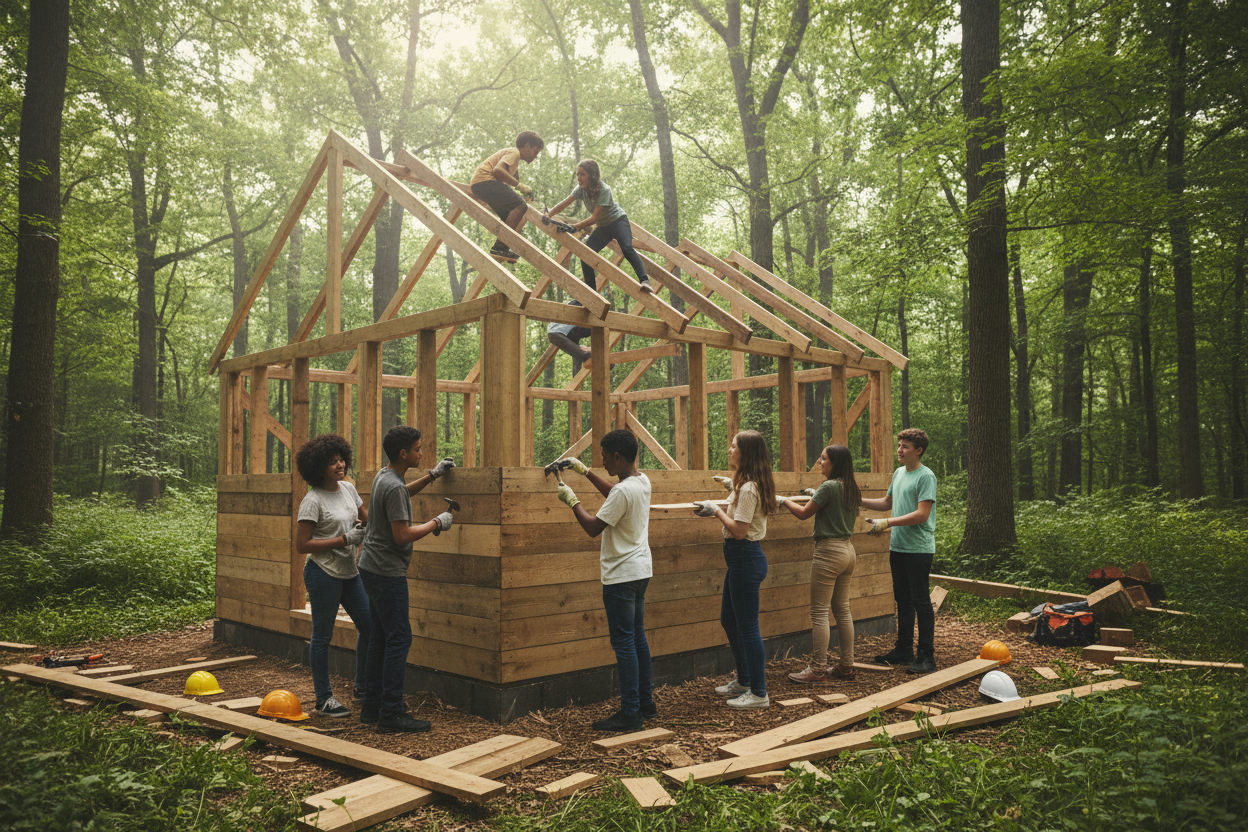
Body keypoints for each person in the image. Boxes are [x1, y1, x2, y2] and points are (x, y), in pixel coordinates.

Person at [554, 430, 657, 731]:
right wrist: (584, 472)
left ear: (617, 457)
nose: (600, 461)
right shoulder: (642, 481)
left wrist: (571, 500)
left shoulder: (623, 492)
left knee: (624, 643)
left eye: (603, 456)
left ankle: (630, 714)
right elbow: (614, 495)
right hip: (640, 571)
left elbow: (592, 527)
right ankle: (645, 704)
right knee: (637, 637)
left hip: (621, 576)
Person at [357, 425, 456, 733]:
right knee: (400, 638)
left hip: (370, 566)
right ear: (404, 453)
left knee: (380, 637)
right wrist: (437, 522)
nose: (421, 453)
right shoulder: (394, 486)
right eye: (417, 449)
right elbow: (401, 535)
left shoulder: (384, 477)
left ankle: (372, 708)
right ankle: (391, 714)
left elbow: (401, 495)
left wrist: (433, 475)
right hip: (387, 572)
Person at [695, 430, 777, 709]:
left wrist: (714, 510)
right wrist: (731, 488)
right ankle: (744, 680)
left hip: (745, 558)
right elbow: (745, 507)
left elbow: (740, 530)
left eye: (734, 447)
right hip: (740, 560)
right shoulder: (747, 485)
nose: (729, 450)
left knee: (748, 628)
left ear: (747, 453)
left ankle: (759, 693)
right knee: (729, 621)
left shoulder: (750, 487)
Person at [294, 434, 371, 718]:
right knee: (323, 636)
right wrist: (344, 540)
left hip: (350, 572)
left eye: (340, 459)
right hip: (323, 573)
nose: (339, 465)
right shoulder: (312, 501)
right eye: (331, 462)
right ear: (318, 468)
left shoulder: (348, 489)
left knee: (370, 626)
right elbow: (302, 545)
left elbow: (366, 518)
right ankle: (324, 698)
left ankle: (362, 688)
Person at [779, 444, 862, 684]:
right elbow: (834, 506)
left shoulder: (829, 487)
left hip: (828, 552)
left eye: (823, 458)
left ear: (835, 463)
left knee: (819, 612)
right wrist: (815, 493)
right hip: (848, 551)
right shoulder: (850, 487)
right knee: (843, 610)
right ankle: (846, 666)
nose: (819, 461)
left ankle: (817, 670)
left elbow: (804, 513)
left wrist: (784, 501)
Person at [860, 428, 938, 674]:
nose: (900, 450)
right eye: (899, 445)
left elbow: (921, 514)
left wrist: (888, 522)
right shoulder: (898, 473)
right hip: (899, 547)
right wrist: (857, 499)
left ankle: (927, 656)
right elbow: (887, 503)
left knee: (921, 601)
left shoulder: (926, 476)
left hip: (918, 549)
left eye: (905, 447)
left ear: (919, 450)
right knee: (902, 600)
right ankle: (904, 649)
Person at [543, 159, 653, 295]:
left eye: (582, 174)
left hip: (618, 222)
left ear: (592, 175)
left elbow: (594, 217)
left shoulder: (604, 190)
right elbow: (565, 203)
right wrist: (550, 214)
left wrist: (575, 227)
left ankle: (644, 281)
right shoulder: (580, 190)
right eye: (577, 174)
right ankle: (591, 293)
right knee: (586, 254)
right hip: (604, 227)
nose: (578, 178)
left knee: (626, 247)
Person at [469, 131, 544, 263]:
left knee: (511, 215)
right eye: (535, 151)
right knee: (520, 206)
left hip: (480, 186)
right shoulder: (514, 152)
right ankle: (500, 247)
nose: (536, 156)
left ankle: (503, 249)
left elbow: (513, 179)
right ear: (527, 146)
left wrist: (526, 192)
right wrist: (520, 186)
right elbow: (498, 171)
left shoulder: (514, 161)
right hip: (485, 182)